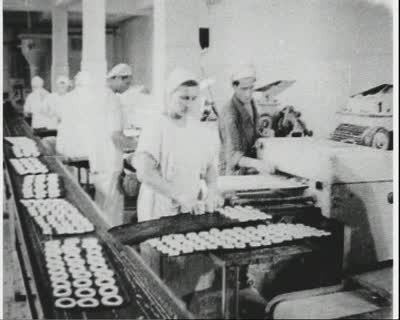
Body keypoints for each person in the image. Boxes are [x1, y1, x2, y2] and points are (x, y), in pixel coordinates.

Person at [132, 68, 222, 222]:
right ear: (169, 95)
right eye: (184, 98)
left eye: (194, 98)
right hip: (159, 209)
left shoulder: (197, 128)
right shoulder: (156, 125)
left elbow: (209, 167)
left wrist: (212, 191)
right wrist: (179, 195)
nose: (189, 104)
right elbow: (145, 172)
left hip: (189, 208)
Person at [218, 63, 275, 175]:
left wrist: (264, 135)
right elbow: (232, 155)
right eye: (244, 89)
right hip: (233, 174)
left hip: (248, 170)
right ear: (234, 87)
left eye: (251, 88)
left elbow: (251, 135)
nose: (248, 94)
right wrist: (257, 164)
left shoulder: (251, 104)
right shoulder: (230, 112)